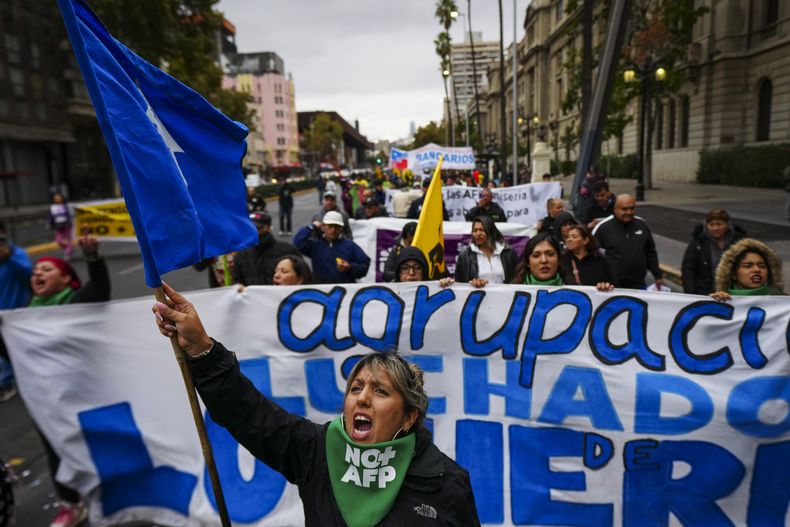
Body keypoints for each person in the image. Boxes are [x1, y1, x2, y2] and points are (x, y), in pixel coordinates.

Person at [152, 283, 480, 526]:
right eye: (356, 387)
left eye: (380, 391)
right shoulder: (318, 451)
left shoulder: (447, 483)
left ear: (409, 417)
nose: (362, 397)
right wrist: (201, 349)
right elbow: (249, 413)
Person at [30, 233, 110, 527]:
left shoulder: (78, 302)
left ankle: (112, 495)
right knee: (55, 450)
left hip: (86, 391)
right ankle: (71, 505)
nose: (38, 273)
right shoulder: (22, 318)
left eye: (47, 269)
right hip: (48, 397)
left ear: (66, 279)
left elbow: (100, 290)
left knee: (97, 444)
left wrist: (92, 257)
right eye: (36, 271)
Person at [593, 194, 664, 291]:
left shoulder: (642, 225)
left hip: (639, 285)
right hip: (612, 287)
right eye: (624, 209)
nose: (629, 212)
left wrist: (657, 275)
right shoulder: (603, 228)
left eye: (632, 208)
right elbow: (593, 256)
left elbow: (650, 252)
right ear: (615, 209)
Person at [0, 222, 32, 402]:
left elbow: (28, 273)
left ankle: (8, 383)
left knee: (10, 354)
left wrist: (9, 258)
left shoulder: (17, 253)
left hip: (16, 314)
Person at [681, 209, 746, 295]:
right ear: (706, 226)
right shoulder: (698, 243)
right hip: (706, 293)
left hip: (733, 292)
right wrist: (690, 294)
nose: (715, 228)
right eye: (711, 225)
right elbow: (688, 269)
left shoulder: (739, 242)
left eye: (719, 224)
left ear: (727, 225)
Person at [294, 211, 371, 284]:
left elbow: (364, 265)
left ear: (341, 228)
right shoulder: (315, 246)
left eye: (337, 227)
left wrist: (350, 268)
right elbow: (297, 243)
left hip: (344, 293)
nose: (333, 230)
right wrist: (311, 227)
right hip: (321, 292)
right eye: (330, 226)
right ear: (323, 226)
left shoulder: (350, 245)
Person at [233, 212, 302, 286]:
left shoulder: (288, 250)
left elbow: (303, 276)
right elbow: (237, 282)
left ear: (269, 227)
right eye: (250, 227)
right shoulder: (241, 254)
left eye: (258, 227)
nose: (254, 231)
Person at [710, 238, 785, 300]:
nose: (756, 270)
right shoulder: (722, 299)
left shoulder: (782, 300)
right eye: (748, 266)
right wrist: (720, 302)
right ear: (733, 274)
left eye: (762, 266)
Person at [455, 216, 517, 287]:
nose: (478, 234)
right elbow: (459, 283)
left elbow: (516, 279)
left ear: (491, 231)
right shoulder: (465, 254)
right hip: (477, 297)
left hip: (504, 297)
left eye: (482, 230)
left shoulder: (508, 252)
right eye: (475, 230)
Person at [562, 225, 617, 289]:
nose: (569, 240)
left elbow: (615, 286)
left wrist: (606, 286)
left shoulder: (601, 260)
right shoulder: (563, 260)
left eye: (574, 237)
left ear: (585, 240)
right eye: (568, 237)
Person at [48, 193, 73, 260]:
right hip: (58, 226)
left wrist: (69, 224)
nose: (57, 199)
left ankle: (68, 252)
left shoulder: (66, 206)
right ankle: (68, 249)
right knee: (59, 240)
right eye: (56, 198)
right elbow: (51, 217)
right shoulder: (52, 207)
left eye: (59, 198)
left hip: (66, 226)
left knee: (67, 240)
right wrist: (50, 224)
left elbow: (69, 215)